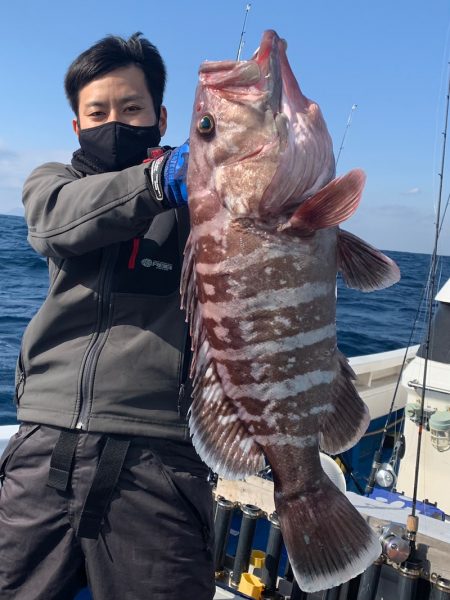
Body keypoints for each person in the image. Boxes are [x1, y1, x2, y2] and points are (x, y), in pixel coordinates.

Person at [0, 32, 215, 600]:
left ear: (161, 116)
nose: (113, 121)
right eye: (97, 111)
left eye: (132, 108)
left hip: (161, 458)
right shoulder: (53, 183)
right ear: (76, 124)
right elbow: (52, 223)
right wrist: (154, 182)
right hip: (44, 448)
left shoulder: (204, 202)